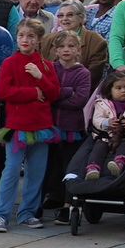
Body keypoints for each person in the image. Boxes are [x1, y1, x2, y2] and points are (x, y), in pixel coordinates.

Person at [0, 19, 60, 233]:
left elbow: (54, 93)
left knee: (36, 172)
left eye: (30, 36)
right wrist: (32, 93)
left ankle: (27, 212)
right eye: (21, 36)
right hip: (17, 126)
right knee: (11, 170)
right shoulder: (9, 63)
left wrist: (40, 77)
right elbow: (4, 92)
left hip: (41, 127)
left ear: (38, 40)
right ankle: (0, 215)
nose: (25, 40)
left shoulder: (46, 65)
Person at [42, 30, 93, 225]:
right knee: (49, 166)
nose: (66, 50)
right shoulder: (50, 69)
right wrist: (66, 92)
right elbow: (46, 95)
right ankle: (48, 198)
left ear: (78, 50)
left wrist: (56, 96)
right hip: (50, 126)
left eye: (71, 46)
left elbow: (80, 100)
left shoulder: (83, 73)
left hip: (73, 128)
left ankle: (68, 205)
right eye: (62, 46)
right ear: (55, 51)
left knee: (70, 166)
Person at [69, 69, 125, 182]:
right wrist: (106, 123)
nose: (123, 91)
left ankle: (119, 164)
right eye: (119, 88)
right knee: (98, 148)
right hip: (105, 135)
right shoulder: (101, 103)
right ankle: (93, 168)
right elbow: (96, 120)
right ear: (110, 90)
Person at [54, 0, 109, 86]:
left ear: (81, 17)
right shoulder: (47, 39)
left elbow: (93, 76)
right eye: (61, 16)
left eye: (70, 15)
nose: (64, 19)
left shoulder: (96, 41)